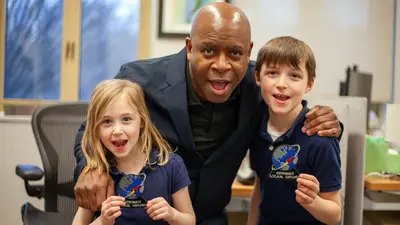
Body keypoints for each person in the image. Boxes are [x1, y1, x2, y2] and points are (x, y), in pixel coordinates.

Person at [74, 3, 343, 225]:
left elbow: (291, 113)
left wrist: (331, 123)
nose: (222, 65)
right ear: (190, 48)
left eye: (235, 53)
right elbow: (88, 132)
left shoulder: (259, 85)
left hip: (209, 219)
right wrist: (90, 166)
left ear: (248, 52)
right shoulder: (139, 80)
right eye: (209, 50)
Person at [72, 79, 195, 225]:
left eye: (126, 119)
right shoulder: (97, 173)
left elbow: (190, 220)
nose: (117, 131)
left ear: (142, 120)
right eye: (107, 122)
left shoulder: (171, 165)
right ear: (95, 127)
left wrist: (172, 214)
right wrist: (102, 221)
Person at [247, 36, 342, 225]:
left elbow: (335, 215)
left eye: (294, 76)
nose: (282, 83)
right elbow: (259, 188)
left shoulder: (320, 139)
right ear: (258, 77)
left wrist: (312, 202)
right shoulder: (257, 132)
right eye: (273, 73)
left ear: (309, 84)